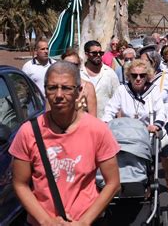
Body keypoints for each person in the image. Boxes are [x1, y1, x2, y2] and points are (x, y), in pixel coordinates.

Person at [10, 61, 120, 225]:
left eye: (67, 88)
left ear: (79, 91)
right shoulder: (29, 132)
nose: (59, 95)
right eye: (52, 88)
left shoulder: (97, 130)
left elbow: (113, 183)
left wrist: (84, 222)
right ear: (45, 91)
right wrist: (46, 221)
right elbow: (20, 183)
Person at [139, 45, 168, 194]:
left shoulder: (166, 77)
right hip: (146, 122)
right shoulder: (139, 78)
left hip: (165, 120)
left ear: (154, 62)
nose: (141, 64)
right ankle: (149, 181)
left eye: (144, 61)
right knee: (147, 154)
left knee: (166, 155)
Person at [102, 59, 166, 131]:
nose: (138, 78)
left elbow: (161, 111)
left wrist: (156, 125)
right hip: (127, 133)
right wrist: (106, 123)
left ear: (147, 76)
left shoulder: (154, 90)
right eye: (134, 75)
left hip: (148, 133)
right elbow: (110, 110)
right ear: (129, 76)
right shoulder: (122, 90)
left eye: (142, 75)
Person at [81, 40, 120, 120]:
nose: (98, 55)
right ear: (86, 54)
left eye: (100, 53)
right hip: (83, 122)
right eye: (94, 53)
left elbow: (118, 100)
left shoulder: (110, 74)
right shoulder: (79, 74)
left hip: (105, 122)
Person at [61, 48, 98, 117]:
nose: (71, 68)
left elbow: (93, 117)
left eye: (75, 65)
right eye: (67, 64)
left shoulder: (88, 87)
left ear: (79, 66)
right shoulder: (55, 87)